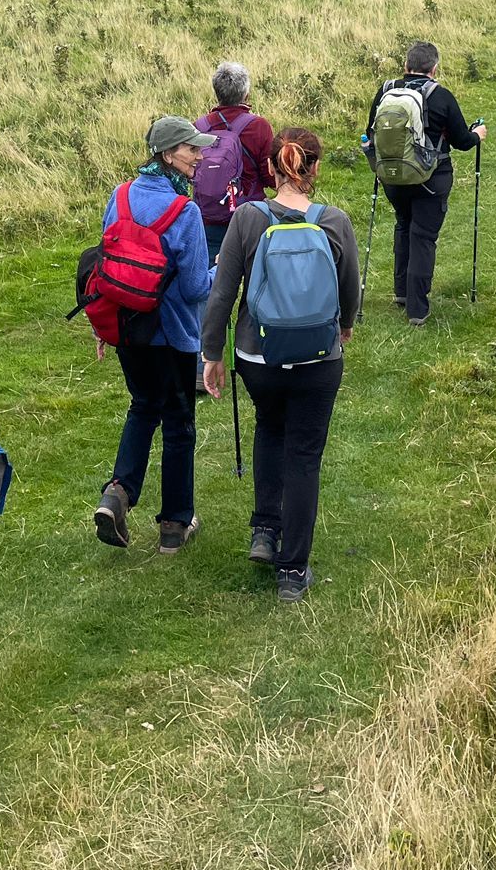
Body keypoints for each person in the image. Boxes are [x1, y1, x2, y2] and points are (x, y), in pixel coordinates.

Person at [200, 128, 360, 604]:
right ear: (314, 169)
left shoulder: (248, 218)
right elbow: (350, 291)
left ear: (271, 169)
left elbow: (223, 292)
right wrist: (344, 326)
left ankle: (264, 533)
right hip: (318, 357)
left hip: (258, 356)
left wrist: (212, 354)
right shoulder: (335, 222)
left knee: (269, 428)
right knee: (305, 455)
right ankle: (293, 570)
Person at [92, 117, 213, 555]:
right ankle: (174, 526)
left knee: (143, 407)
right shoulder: (186, 211)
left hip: (127, 329)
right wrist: (222, 272)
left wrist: (101, 326)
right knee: (179, 425)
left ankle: (117, 493)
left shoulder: (120, 195)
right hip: (174, 335)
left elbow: (107, 261)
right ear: (167, 155)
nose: (199, 157)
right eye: (191, 150)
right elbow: (198, 288)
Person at [364, 43, 486, 326]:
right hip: (432, 179)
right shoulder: (441, 96)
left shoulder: (385, 92)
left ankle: (402, 294)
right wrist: (477, 134)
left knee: (403, 225)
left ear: (406, 66)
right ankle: (418, 310)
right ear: (434, 69)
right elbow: (462, 142)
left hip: (392, 176)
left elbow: (371, 131)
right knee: (423, 236)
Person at [194, 62, 275, 265]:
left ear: (217, 93)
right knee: (255, 279)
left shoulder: (199, 127)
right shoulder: (259, 126)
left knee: (212, 282)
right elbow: (269, 176)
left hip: (208, 215)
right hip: (250, 213)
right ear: (246, 94)